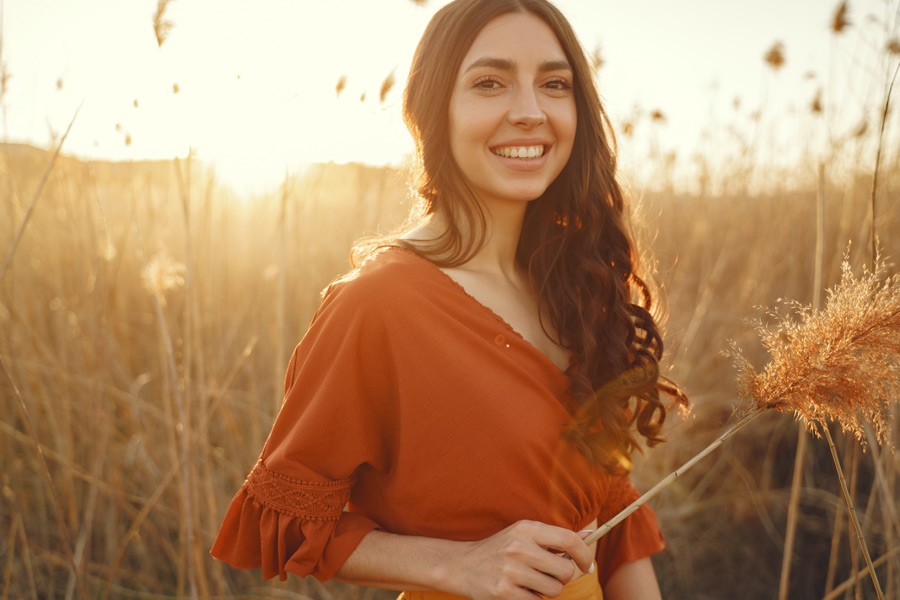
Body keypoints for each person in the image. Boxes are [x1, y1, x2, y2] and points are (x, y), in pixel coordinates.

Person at [210, 1, 686, 598]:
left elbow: (612, 516)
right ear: (432, 108)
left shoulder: (574, 285)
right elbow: (283, 520)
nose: (530, 111)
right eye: (490, 82)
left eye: (554, 84)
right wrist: (453, 565)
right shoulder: (377, 304)